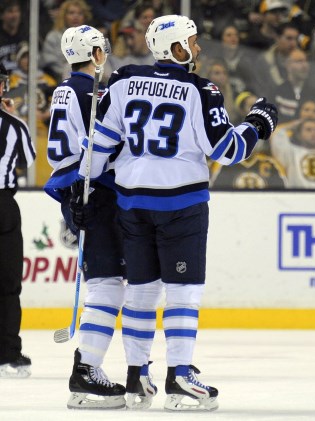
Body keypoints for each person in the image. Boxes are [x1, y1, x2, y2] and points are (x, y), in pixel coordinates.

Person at [76, 14, 278, 411]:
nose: (197, 48)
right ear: (175, 49)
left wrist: (80, 199)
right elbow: (228, 151)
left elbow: (98, 149)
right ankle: (180, 376)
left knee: (141, 292)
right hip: (180, 207)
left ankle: (137, 377)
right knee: (183, 292)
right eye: (192, 41)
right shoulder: (200, 90)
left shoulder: (123, 80)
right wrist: (258, 124)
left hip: (131, 206)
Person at [43, 25, 129, 409]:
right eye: (103, 49)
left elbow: (61, 152)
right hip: (97, 192)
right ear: (95, 53)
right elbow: (102, 145)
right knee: (108, 283)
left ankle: (89, 369)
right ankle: (86, 373)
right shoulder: (95, 92)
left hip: (77, 191)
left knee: (107, 280)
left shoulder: (63, 89)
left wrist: (71, 194)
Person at [0, 62, 35, 379]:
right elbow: (30, 157)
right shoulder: (13, 127)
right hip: (3, 206)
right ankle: (7, 354)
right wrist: (12, 115)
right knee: (8, 285)